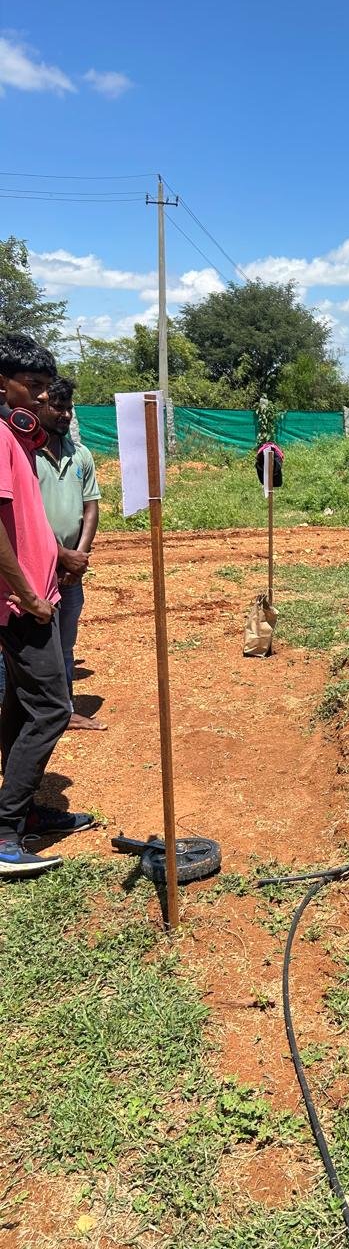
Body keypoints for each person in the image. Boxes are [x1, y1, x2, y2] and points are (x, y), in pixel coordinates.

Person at [0, 333, 94, 878]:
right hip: (22, 603)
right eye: (31, 386)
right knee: (54, 708)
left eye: (45, 387)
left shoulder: (18, 439)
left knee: (19, 703)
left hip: (34, 595)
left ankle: (26, 812)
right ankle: (6, 831)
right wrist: (28, 592)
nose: (41, 397)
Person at [36, 375, 105, 730]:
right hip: (34, 569)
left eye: (69, 408)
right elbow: (23, 519)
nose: (64, 415)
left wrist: (78, 557)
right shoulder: (24, 454)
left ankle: (63, 710)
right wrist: (60, 554)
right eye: (57, 407)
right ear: (39, 406)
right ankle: (26, 711)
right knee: (28, 646)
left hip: (70, 572)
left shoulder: (81, 455)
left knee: (65, 644)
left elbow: (90, 506)